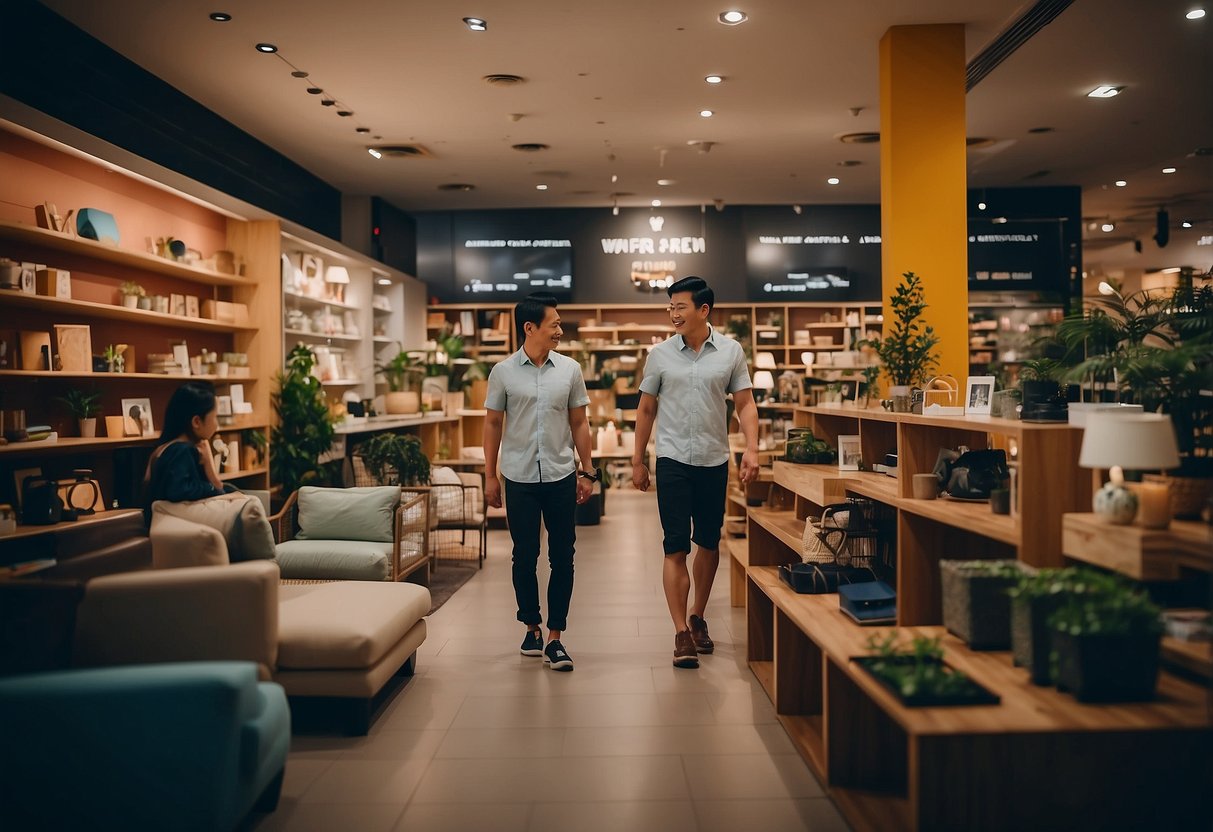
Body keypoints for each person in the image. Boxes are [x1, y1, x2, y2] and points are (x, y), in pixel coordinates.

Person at [632, 276, 759, 669]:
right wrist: (637, 459)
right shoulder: (660, 355)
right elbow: (646, 410)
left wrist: (753, 449)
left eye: (680, 306)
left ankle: (698, 616)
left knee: (708, 541)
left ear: (704, 310)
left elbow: (745, 404)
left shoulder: (730, 352)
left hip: (713, 459)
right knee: (675, 546)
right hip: (671, 461)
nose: (673, 313)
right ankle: (680, 633)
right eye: (670, 307)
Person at [484, 293, 595, 672]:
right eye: (555, 324)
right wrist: (489, 475)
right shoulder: (502, 372)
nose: (560, 330)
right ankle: (531, 626)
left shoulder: (570, 370)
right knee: (524, 555)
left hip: (562, 474)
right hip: (519, 477)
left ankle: (555, 637)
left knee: (563, 556)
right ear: (530, 328)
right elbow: (493, 424)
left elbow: (579, 423)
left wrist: (588, 469)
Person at [144, 381, 234, 521]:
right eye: (215, 416)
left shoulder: (164, 449)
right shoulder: (182, 451)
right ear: (196, 422)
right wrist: (212, 484)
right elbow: (179, 490)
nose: (217, 424)